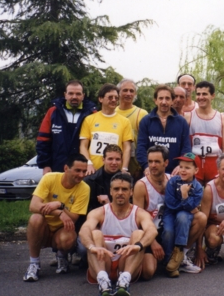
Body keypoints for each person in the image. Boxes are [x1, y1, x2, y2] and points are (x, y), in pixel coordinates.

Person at [79, 172, 158, 296]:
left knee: (139, 234)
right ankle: (103, 280)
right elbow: (84, 230)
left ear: (131, 192)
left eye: (124, 189)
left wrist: (138, 246)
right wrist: (92, 247)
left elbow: (152, 230)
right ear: (110, 191)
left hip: (126, 263)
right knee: (95, 234)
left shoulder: (139, 213)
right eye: (116, 189)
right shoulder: (99, 212)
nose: (120, 192)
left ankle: (124, 282)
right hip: (104, 262)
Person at [133, 146, 205, 278]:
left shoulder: (171, 179)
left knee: (200, 217)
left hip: (172, 226)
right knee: (149, 271)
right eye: (150, 161)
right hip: (153, 233)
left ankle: (179, 256)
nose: (152, 165)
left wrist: (199, 247)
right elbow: (136, 219)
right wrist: (152, 242)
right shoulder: (141, 185)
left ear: (166, 163)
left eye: (157, 162)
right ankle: (167, 260)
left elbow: (193, 205)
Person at [23, 154, 90, 282]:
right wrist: (58, 212)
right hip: (43, 229)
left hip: (61, 229)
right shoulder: (50, 178)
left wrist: (60, 205)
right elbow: (33, 206)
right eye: (77, 170)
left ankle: (61, 256)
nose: (81, 175)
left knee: (70, 236)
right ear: (66, 168)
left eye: (84, 171)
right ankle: (34, 264)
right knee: (35, 219)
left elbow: (74, 218)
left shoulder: (84, 188)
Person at [36, 80, 97, 174]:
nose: (74, 97)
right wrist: (45, 164)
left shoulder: (92, 114)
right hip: (57, 167)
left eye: (78, 94)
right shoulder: (53, 112)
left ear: (83, 95)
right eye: (71, 93)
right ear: (65, 94)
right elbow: (43, 140)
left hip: (83, 170)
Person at [162, 152, 204, 277]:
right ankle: (169, 259)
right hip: (170, 213)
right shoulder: (172, 182)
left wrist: (185, 196)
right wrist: (186, 204)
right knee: (168, 231)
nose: (183, 170)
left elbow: (192, 207)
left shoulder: (198, 188)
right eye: (181, 167)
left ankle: (179, 253)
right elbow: (170, 204)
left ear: (196, 170)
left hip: (184, 214)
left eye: (187, 167)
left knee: (182, 217)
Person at [136, 85, 191, 176]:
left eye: (167, 98)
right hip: (151, 173)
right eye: (161, 98)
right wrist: (146, 166)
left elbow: (186, 148)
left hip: (175, 174)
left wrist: (182, 166)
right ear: (155, 100)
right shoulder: (146, 121)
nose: (164, 102)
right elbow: (141, 147)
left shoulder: (182, 122)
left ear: (172, 101)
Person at [80, 83, 133, 175]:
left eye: (116, 98)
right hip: (93, 171)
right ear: (100, 99)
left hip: (115, 171)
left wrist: (124, 168)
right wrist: (88, 163)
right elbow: (83, 145)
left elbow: (127, 147)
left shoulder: (125, 121)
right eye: (110, 97)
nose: (113, 100)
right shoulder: (89, 119)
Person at [184, 81, 224, 185]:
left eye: (204, 94)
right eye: (198, 94)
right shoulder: (188, 117)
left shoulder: (222, 118)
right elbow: (185, 144)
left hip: (214, 163)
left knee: (214, 197)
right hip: (194, 162)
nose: (200, 97)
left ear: (212, 96)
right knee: (194, 197)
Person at [116, 79, 148, 182]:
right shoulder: (112, 112)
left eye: (131, 91)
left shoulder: (141, 114)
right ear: (118, 92)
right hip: (113, 163)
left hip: (135, 167)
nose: (128, 94)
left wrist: (140, 166)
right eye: (125, 90)